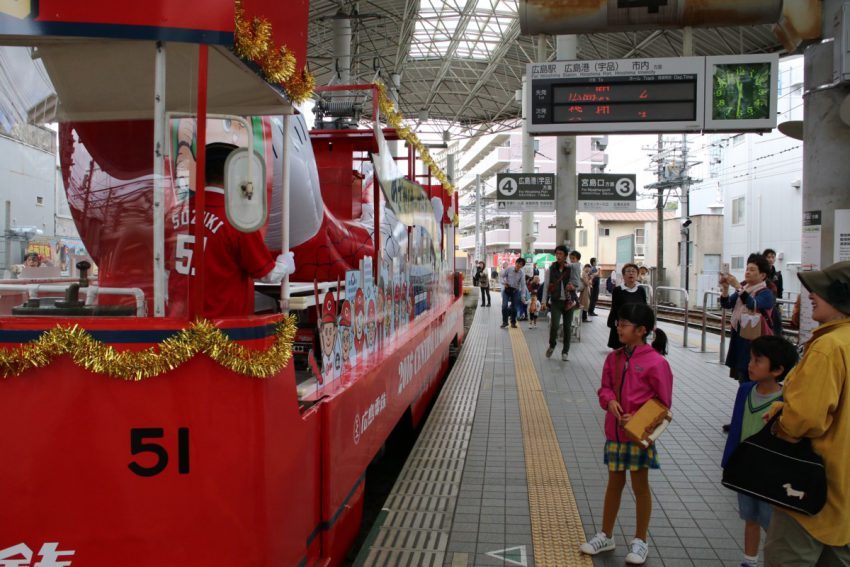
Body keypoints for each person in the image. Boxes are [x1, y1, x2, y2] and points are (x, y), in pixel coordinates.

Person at [762, 261, 850, 566]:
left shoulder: (829, 348)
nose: (811, 294)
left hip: (811, 489)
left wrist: (778, 415)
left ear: (841, 300)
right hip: (844, 495)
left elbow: (805, 419)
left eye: (820, 290)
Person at [580, 303, 672, 565]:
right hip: (615, 433)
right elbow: (604, 388)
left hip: (638, 436)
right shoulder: (614, 358)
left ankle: (640, 540)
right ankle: (606, 535)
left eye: (624, 324)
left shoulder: (656, 363)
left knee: (640, 488)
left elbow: (663, 404)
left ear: (642, 330)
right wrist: (608, 401)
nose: (618, 328)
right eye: (618, 323)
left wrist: (639, 418)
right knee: (614, 484)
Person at [169, 143, 296, 317]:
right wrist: (285, 264)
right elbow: (267, 274)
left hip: (178, 321)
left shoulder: (176, 213)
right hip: (225, 325)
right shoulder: (237, 218)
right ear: (235, 176)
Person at [721, 336, 798, 567]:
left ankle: (774, 561)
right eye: (751, 359)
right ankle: (750, 561)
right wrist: (729, 460)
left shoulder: (786, 400)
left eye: (758, 360)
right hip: (745, 467)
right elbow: (736, 427)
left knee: (770, 522)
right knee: (749, 517)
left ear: (777, 370)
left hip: (770, 473)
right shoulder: (745, 390)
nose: (750, 364)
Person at [541, 245, 580, 361]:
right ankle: (552, 345)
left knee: (567, 327)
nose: (558, 256)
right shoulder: (551, 269)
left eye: (560, 254)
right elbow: (546, 286)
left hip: (569, 302)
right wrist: (543, 301)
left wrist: (574, 287)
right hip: (556, 301)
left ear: (565, 256)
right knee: (555, 325)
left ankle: (565, 352)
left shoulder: (572, 268)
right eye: (556, 254)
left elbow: (580, 283)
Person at [607, 264, 649, 349]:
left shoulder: (641, 290)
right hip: (623, 326)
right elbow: (614, 308)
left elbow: (645, 307)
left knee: (637, 353)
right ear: (623, 275)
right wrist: (613, 323)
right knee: (620, 355)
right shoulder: (618, 290)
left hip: (637, 327)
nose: (631, 273)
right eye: (628, 271)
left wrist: (648, 323)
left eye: (634, 271)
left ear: (637, 275)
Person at [500, 257, 526, 329]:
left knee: (514, 308)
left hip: (515, 291)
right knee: (504, 306)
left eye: (521, 264)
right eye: (518, 263)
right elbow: (502, 277)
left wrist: (523, 296)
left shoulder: (522, 273)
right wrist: (504, 282)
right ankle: (505, 322)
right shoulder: (509, 269)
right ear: (515, 263)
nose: (519, 265)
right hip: (507, 290)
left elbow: (523, 285)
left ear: (522, 266)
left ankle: (513, 322)